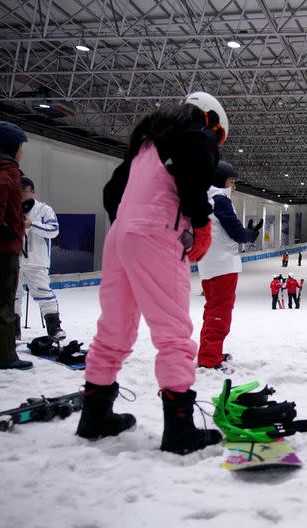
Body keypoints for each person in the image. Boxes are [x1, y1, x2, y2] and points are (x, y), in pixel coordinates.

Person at [75, 92, 227, 455]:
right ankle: (179, 430)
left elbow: (112, 192)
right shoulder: (195, 133)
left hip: (120, 237)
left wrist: (129, 225)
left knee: (114, 328)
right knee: (173, 331)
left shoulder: (147, 144)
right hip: (156, 235)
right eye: (218, 134)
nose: (215, 141)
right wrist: (200, 222)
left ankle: (94, 415)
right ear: (209, 117)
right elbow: (195, 172)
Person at [195, 161, 262, 372]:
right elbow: (236, 233)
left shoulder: (204, 198)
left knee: (212, 309)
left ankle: (210, 351)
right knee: (220, 311)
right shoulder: (220, 200)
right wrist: (251, 234)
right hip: (222, 264)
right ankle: (209, 357)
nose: (234, 186)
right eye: (231, 181)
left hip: (209, 263)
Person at [0, 121, 33, 370]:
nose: (22, 152)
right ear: (11, 146)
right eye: (21, 146)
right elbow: (0, 189)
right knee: (3, 300)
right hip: (2, 247)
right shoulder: (8, 168)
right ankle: (3, 354)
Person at [15, 175, 65, 340]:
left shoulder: (44, 210)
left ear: (33, 192)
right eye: (18, 191)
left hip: (37, 261)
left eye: (24, 191)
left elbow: (54, 230)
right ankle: (13, 331)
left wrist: (32, 225)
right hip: (14, 260)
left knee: (44, 293)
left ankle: (54, 328)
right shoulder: (12, 208)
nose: (21, 194)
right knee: (13, 295)